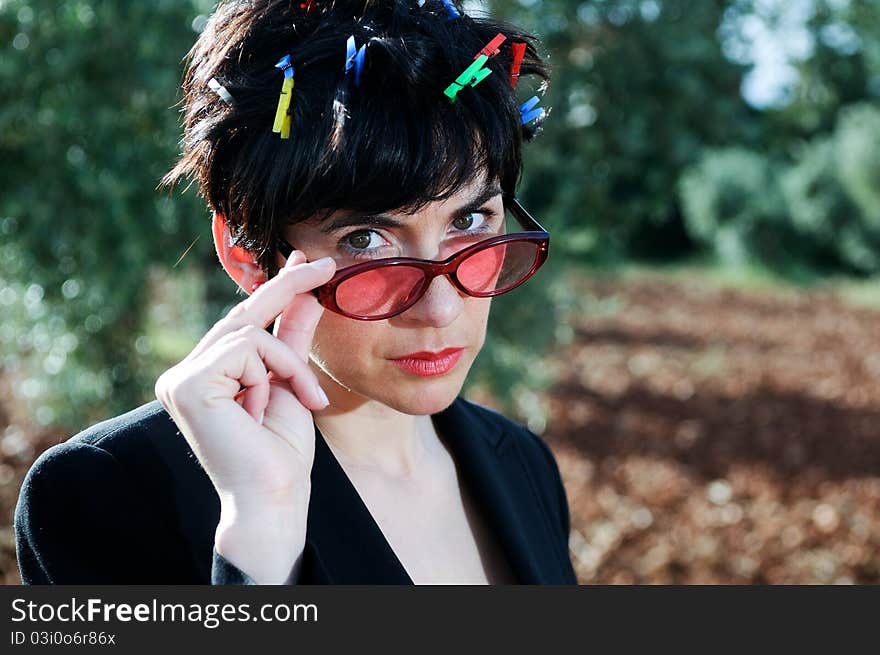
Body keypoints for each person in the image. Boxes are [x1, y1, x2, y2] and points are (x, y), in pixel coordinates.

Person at [14, 0, 576, 585]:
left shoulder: (523, 465)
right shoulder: (106, 494)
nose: (441, 309)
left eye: (469, 222)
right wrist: (259, 531)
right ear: (245, 254)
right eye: (367, 239)